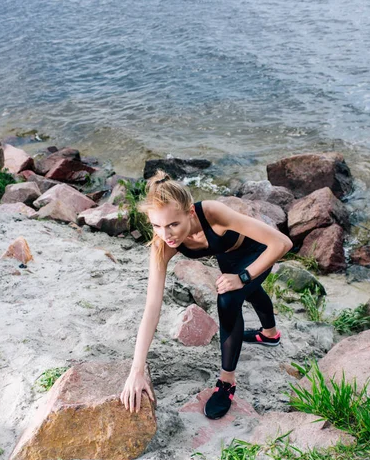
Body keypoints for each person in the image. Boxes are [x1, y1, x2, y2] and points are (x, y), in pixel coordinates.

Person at [120, 170, 293, 419]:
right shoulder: (162, 245)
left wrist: (243, 276)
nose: (165, 235)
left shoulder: (213, 213)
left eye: (173, 225)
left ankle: (227, 382)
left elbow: (282, 243)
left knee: (229, 298)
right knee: (250, 292)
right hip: (229, 256)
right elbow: (152, 308)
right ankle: (269, 335)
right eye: (156, 225)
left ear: (190, 212)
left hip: (260, 251)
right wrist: (136, 370)